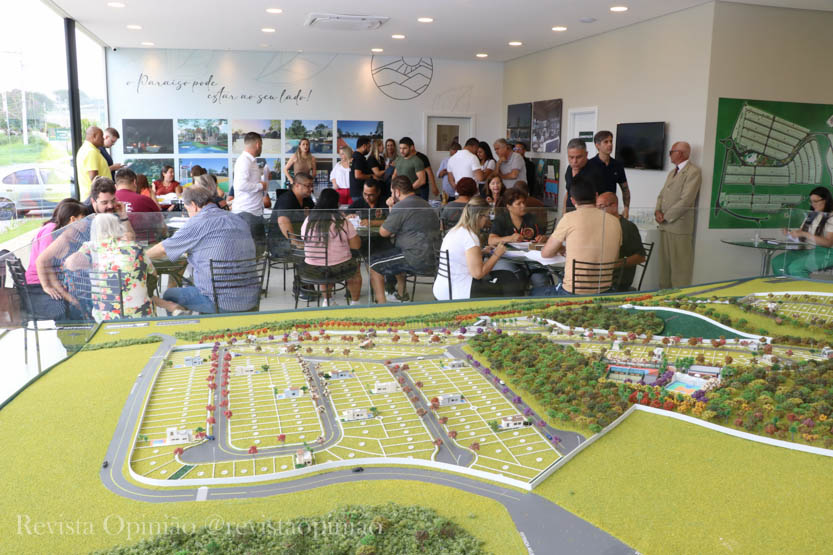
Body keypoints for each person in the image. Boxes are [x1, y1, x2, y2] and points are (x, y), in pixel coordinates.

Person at [146, 184, 258, 314]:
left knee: (170, 294)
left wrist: (138, 255)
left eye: (187, 209)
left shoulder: (198, 222)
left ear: (194, 205)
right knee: (195, 283)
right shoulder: (237, 219)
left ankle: (185, 323)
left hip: (220, 302)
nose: (189, 214)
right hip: (251, 298)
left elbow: (163, 249)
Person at [37, 177, 134, 319]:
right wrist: (49, 287)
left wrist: (123, 216)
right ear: (93, 201)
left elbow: (131, 240)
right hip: (83, 285)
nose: (110, 206)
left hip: (106, 276)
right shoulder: (81, 220)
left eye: (113, 200)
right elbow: (46, 260)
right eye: (104, 202)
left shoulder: (112, 212)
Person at [65, 213, 155, 322]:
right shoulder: (135, 247)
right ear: (118, 227)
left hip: (107, 317)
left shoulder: (92, 247)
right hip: (142, 313)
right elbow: (153, 274)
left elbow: (70, 264)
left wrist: (89, 263)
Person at [542, 176, 622, 295]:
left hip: (573, 292)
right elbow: (614, 259)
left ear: (572, 200)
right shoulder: (615, 221)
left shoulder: (568, 218)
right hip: (605, 291)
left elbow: (546, 253)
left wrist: (560, 249)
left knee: (535, 292)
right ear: (596, 196)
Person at [369, 175, 441, 304]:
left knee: (373, 265)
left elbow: (384, 232)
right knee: (396, 253)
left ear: (397, 192)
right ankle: (402, 295)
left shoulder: (402, 206)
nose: (392, 195)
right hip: (436, 257)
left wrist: (392, 207)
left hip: (416, 258)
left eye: (392, 192)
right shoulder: (425, 203)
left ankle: (381, 306)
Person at [434, 197, 510, 300]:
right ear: (478, 216)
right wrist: (497, 254)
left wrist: (481, 252)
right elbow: (478, 274)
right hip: (460, 291)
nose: (487, 220)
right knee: (509, 282)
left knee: (506, 276)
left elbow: (460, 256)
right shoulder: (470, 237)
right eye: (487, 216)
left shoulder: (455, 231)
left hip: (443, 287)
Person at [23, 199, 87, 321]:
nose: (86, 222)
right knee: (64, 308)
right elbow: (43, 262)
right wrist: (47, 286)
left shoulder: (67, 234)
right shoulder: (54, 232)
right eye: (83, 218)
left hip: (53, 281)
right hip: (38, 284)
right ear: (73, 219)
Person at [300, 188, 362, 306]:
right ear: (336, 203)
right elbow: (356, 245)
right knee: (355, 269)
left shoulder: (309, 220)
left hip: (312, 268)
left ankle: (327, 301)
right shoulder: (341, 221)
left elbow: (303, 239)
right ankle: (355, 303)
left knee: (324, 266)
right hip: (339, 268)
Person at [655, 141, 701, 288]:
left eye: (671, 152)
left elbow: (686, 200)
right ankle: (664, 296)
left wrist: (666, 216)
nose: (669, 155)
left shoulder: (693, 172)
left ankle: (678, 299)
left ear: (680, 153)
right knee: (664, 268)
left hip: (679, 227)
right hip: (664, 226)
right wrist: (657, 211)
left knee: (680, 269)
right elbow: (662, 195)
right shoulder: (672, 172)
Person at [488, 188, 548, 294]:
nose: (523, 206)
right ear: (508, 206)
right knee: (514, 277)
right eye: (518, 203)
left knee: (540, 278)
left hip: (530, 257)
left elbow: (542, 239)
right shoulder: (501, 219)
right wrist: (509, 238)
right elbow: (491, 240)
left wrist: (543, 239)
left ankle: (539, 300)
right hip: (507, 258)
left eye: (524, 202)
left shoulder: (531, 218)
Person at [772, 186, 833, 277]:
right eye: (811, 201)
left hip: (827, 253)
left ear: (826, 200)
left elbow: (828, 243)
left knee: (796, 268)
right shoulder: (811, 215)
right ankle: (786, 285)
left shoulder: (831, 217)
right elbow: (801, 234)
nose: (813, 204)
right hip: (806, 249)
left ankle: (803, 287)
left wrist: (805, 234)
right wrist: (790, 234)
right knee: (778, 262)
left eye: (816, 201)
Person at [597, 191, 646, 290]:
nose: (598, 211)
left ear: (614, 206)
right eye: (596, 207)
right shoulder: (600, 225)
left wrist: (614, 264)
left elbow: (640, 257)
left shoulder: (628, 227)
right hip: (600, 276)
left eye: (601, 207)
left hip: (616, 280)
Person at [232, 132, 268, 253]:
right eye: (261, 144)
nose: (261, 147)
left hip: (253, 212)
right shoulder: (244, 161)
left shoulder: (250, 161)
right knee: (251, 252)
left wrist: (261, 180)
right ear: (258, 144)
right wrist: (260, 185)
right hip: (247, 213)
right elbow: (240, 185)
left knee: (258, 251)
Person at [269, 172, 316, 259]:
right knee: (317, 254)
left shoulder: (307, 199)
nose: (311, 188)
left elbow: (315, 216)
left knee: (323, 250)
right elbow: (282, 220)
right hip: (280, 244)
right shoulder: (286, 199)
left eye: (312, 185)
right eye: (308, 186)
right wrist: (296, 242)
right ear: (297, 185)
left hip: (299, 240)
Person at [589, 131, 631, 219]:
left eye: (611, 141)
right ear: (597, 145)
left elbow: (625, 189)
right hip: (594, 209)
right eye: (606, 142)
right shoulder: (589, 165)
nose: (610, 144)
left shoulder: (617, 165)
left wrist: (626, 208)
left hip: (612, 209)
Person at [564, 138, 605, 212]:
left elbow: (602, 198)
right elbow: (568, 192)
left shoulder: (596, 170)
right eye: (571, 157)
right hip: (570, 213)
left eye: (578, 157)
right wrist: (564, 213)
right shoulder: (569, 169)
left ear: (586, 154)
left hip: (589, 214)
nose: (574, 161)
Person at [76, 126, 111, 202]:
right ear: (94, 136)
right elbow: (94, 179)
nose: (103, 139)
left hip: (94, 198)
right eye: (101, 136)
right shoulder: (91, 151)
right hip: (96, 199)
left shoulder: (86, 149)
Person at [350, 136, 373, 203]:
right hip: (359, 193)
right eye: (369, 147)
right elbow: (358, 175)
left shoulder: (355, 156)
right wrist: (372, 176)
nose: (369, 150)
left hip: (356, 192)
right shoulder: (359, 158)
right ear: (364, 146)